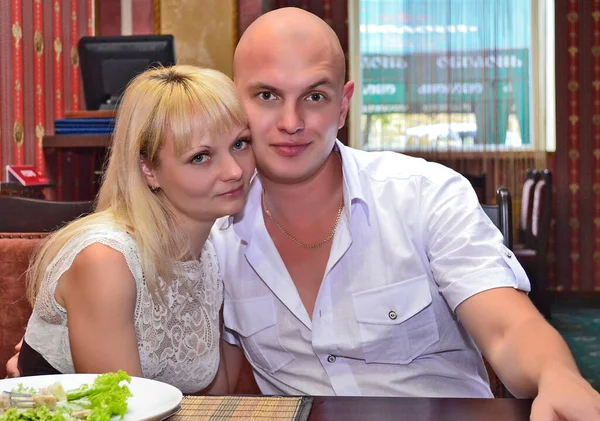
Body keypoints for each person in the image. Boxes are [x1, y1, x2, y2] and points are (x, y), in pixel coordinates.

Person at [208, 7, 600, 421]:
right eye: (267, 96)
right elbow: (224, 384)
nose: (291, 122)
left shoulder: (426, 195)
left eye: (314, 96)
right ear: (235, 104)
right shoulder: (214, 239)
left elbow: (507, 329)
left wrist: (556, 374)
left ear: (343, 107)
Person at [14, 65, 255, 394]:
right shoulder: (107, 262)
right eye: (201, 157)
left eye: (240, 144)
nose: (233, 171)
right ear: (148, 170)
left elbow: (218, 401)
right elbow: (127, 410)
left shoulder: (214, 251)